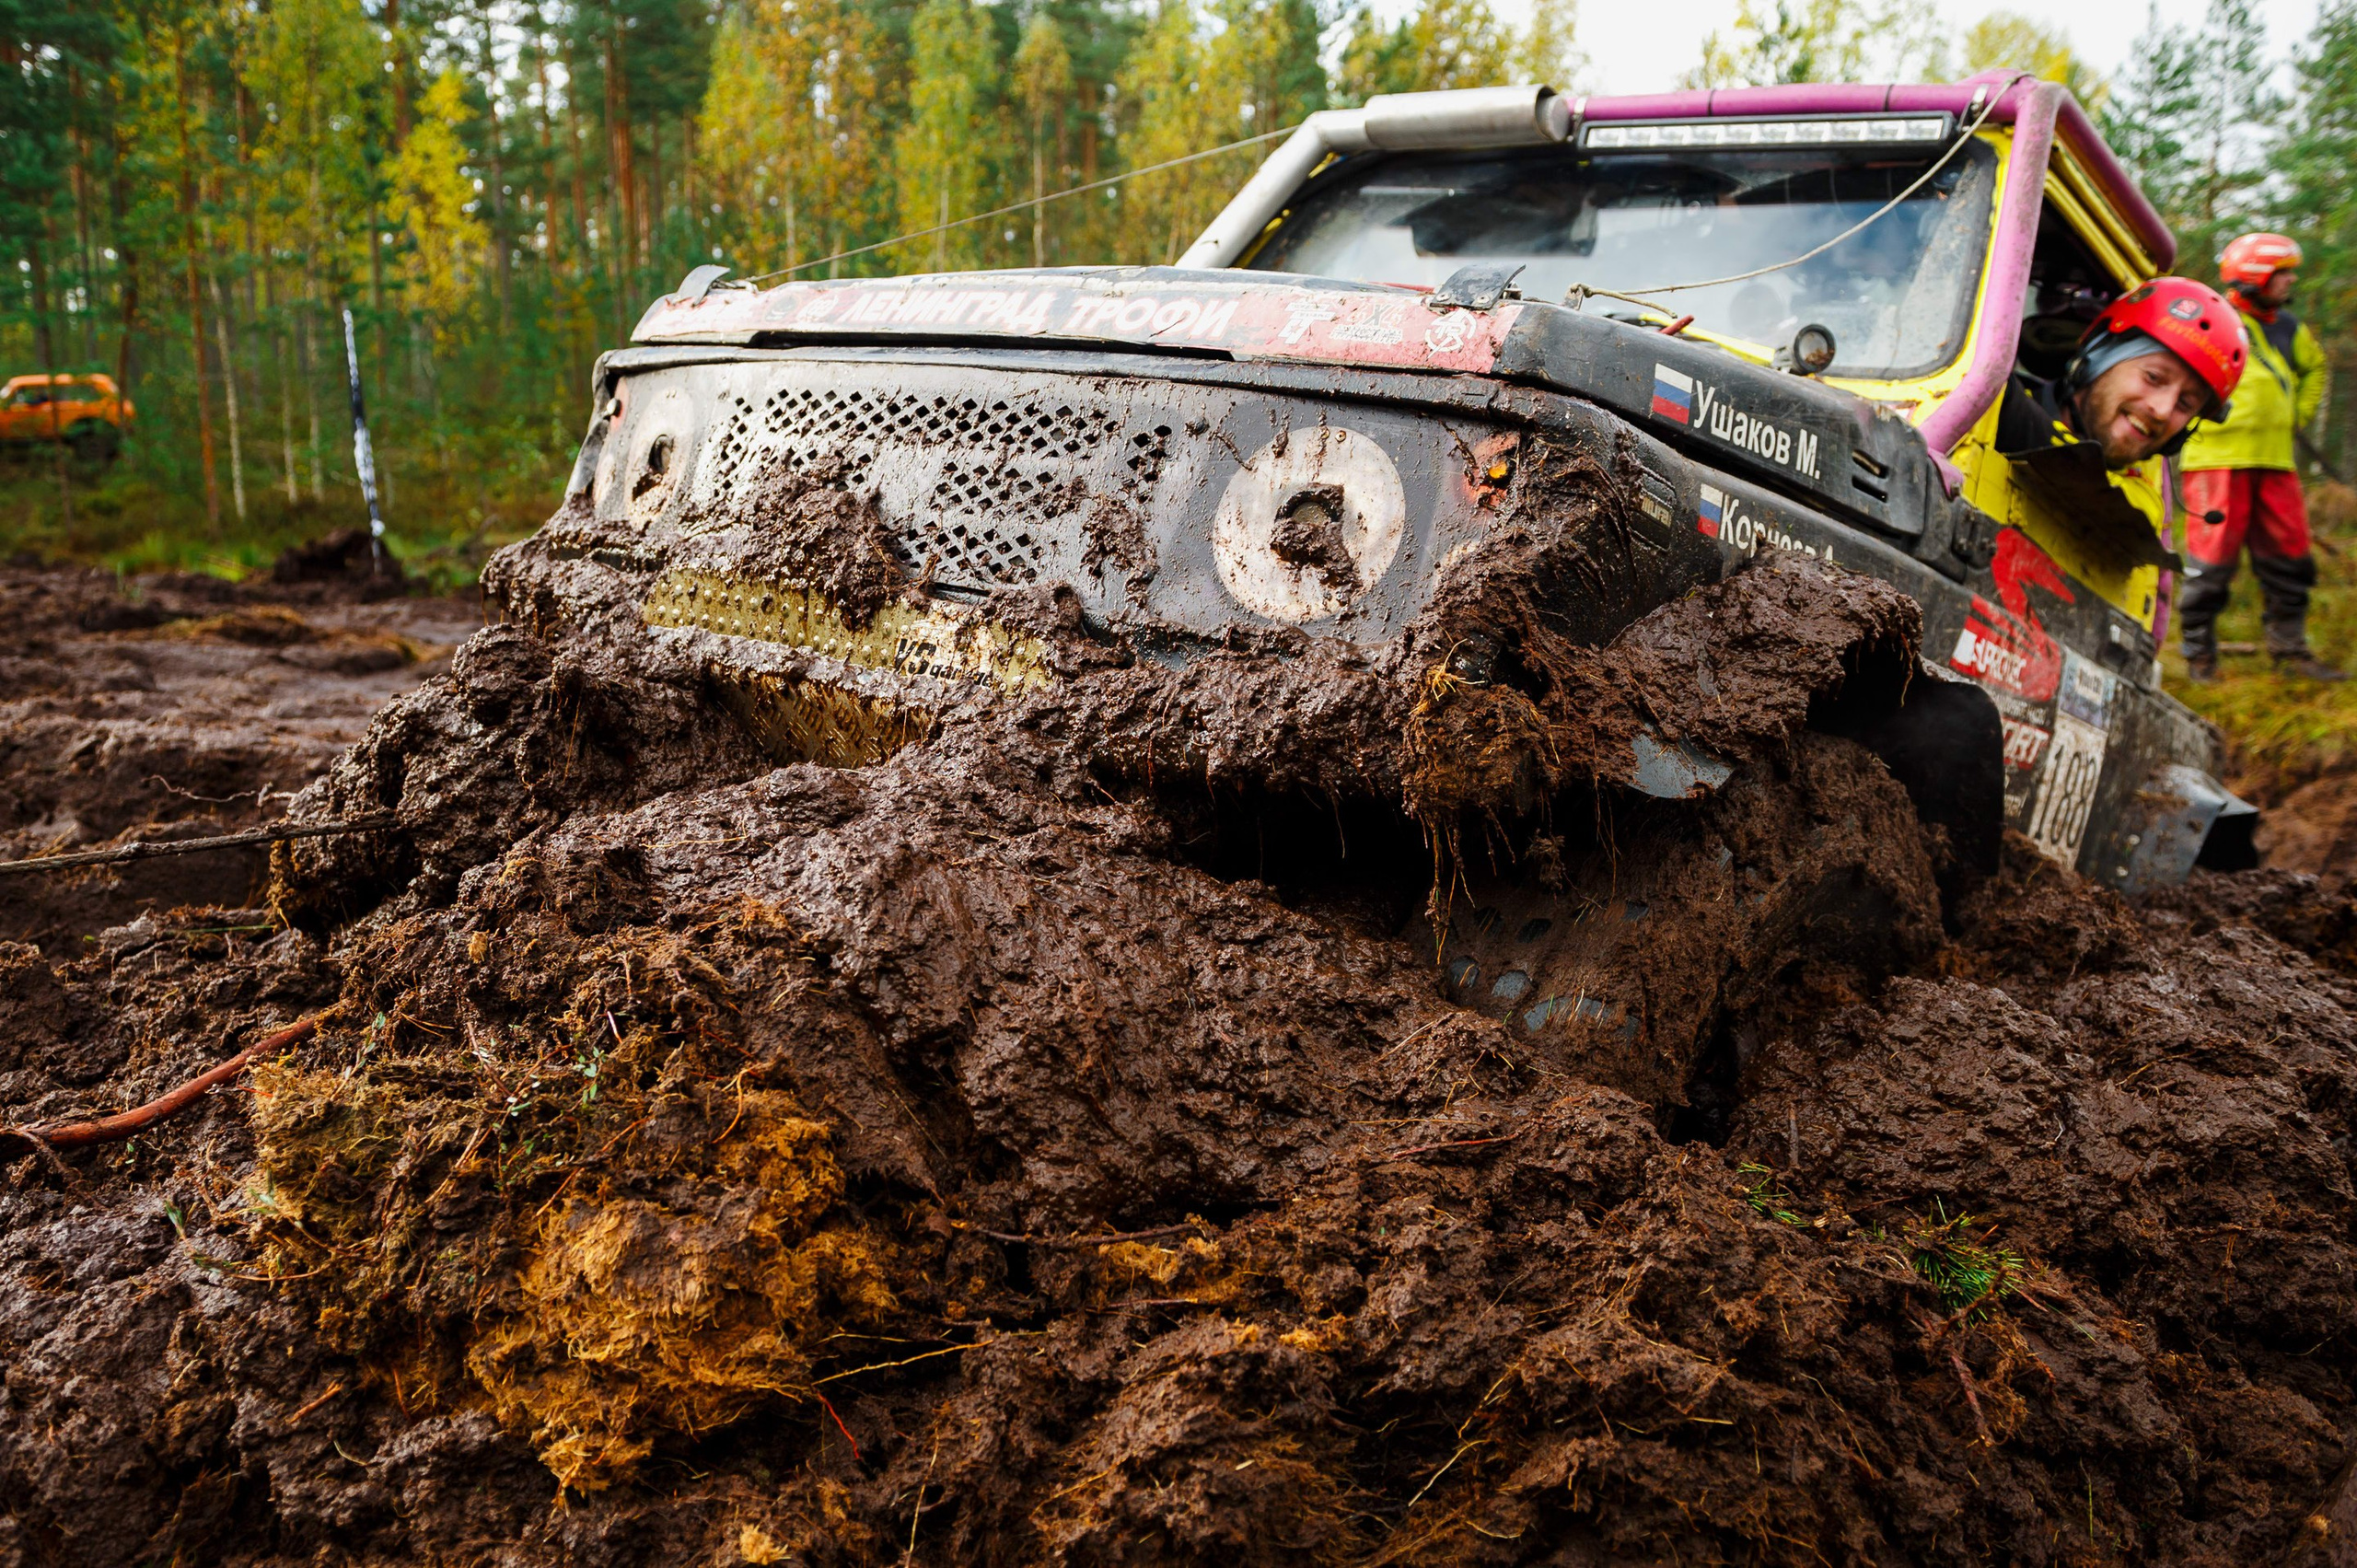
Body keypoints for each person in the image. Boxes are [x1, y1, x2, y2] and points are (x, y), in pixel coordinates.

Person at [2177, 233, 2342, 681]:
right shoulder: (2211, 318)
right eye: (2282, 273)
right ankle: (2199, 658)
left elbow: (2316, 368)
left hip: (2276, 461)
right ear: (2254, 277)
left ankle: (2291, 655)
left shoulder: (2289, 328)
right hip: (2216, 459)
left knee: (2289, 558)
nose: (2290, 281)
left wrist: (2298, 415)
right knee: (2211, 564)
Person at [1995, 274, 2244, 482]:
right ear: (2098, 360)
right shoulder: (1985, 400)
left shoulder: (2143, 501)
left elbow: (2088, 484)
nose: (2162, 410)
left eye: (2185, 404)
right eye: (2153, 378)